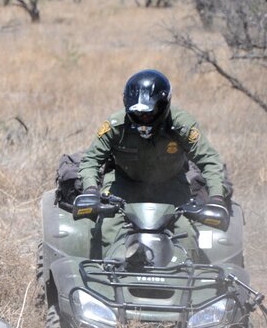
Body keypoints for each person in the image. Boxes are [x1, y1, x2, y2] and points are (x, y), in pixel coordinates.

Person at [77, 69, 229, 258]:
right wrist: (91, 190)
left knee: (187, 234)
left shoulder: (182, 125)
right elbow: (90, 160)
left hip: (171, 187)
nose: (144, 117)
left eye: (149, 112)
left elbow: (210, 161)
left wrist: (216, 198)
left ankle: (187, 278)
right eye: (138, 113)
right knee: (108, 229)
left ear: (164, 105)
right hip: (124, 187)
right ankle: (110, 274)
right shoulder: (116, 126)